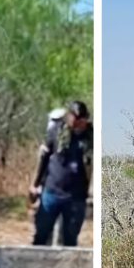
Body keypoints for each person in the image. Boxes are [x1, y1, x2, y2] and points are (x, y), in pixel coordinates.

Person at [30, 99, 93, 247]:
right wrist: (34, 184)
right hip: (52, 191)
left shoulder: (91, 136)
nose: (78, 122)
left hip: (76, 196)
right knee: (41, 235)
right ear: (69, 116)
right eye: (75, 118)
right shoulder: (56, 131)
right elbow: (44, 158)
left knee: (70, 240)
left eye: (82, 119)